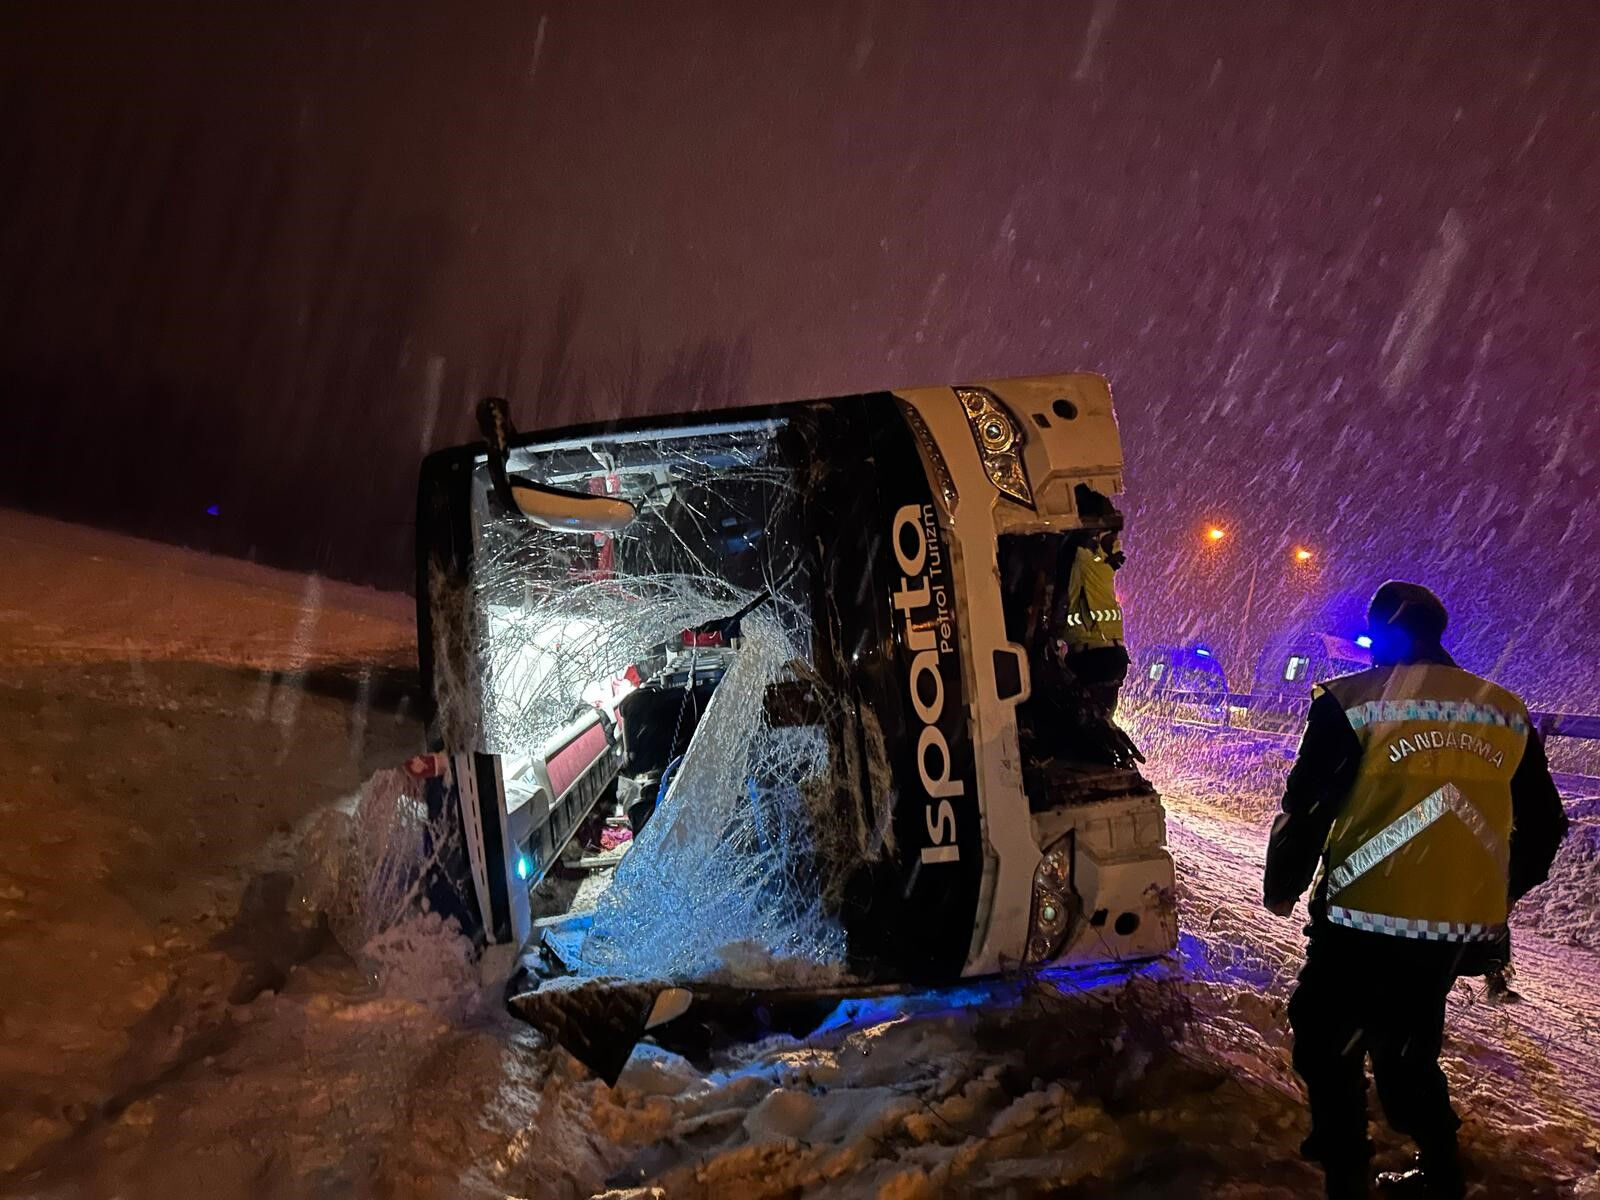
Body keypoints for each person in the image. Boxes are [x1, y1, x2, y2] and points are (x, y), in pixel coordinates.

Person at [1263, 581, 1568, 1199]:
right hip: (1450, 926)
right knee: (1406, 1043)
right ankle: (1440, 1165)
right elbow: (1546, 824)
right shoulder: (1504, 709)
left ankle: (1346, 1170)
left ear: (1385, 634)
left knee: (1327, 1036)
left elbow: (1308, 806)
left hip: (1361, 914)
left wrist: (1284, 885)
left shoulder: (1353, 701)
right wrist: (1497, 891)